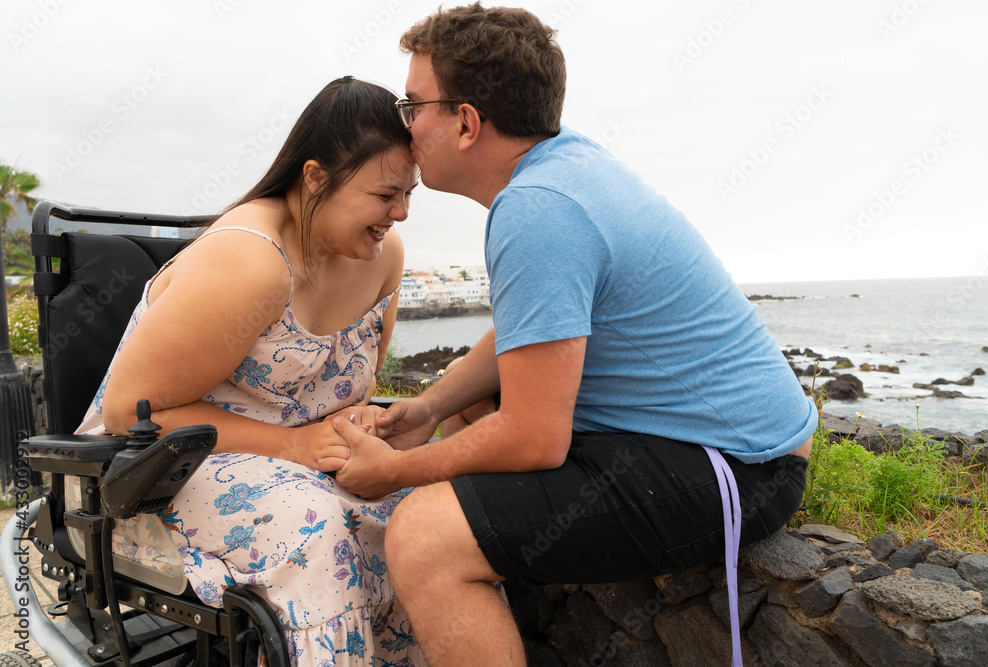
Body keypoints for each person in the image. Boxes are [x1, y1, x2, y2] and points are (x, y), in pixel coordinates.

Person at [329, 4, 818, 666]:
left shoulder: (538, 209)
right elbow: (532, 335)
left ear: (467, 122)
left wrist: (394, 472)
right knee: (472, 414)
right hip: (719, 445)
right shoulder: (561, 169)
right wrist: (432, 405)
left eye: (414, 104)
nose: (404, 122)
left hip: (739, 466)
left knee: (421, 535)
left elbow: (534, 438)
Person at [76, 77, 426, 667]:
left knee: (425, 509)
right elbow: (132, 413)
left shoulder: (381, 258)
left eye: (410, 193)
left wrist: (364, 425)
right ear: (316, 178)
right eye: (387, 194)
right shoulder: (251, 262)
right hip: (152, 472)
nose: (402, 214)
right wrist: (291, 445)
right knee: (323, 531)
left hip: (287, 464)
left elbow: (339, 398)